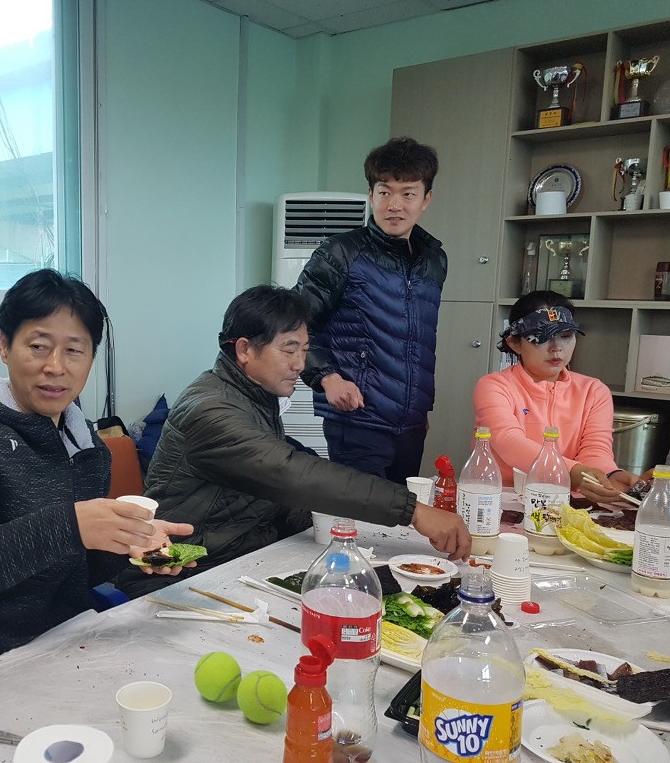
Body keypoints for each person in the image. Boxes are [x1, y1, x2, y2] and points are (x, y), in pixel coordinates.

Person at [0, 269, 194, 683]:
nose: (55, 367)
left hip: (66, 648)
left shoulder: (85, 444)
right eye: (38, 346)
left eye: (74, 351)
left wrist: (127, 543)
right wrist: (70, 527)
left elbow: (73, 569)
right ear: (5, 346)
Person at [114, 286, 471, 599]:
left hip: (241, 557)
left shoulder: (252, 396)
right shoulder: (211, 409)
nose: (300, 364)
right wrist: (412, 511)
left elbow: (286, 479)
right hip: (179, 575)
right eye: (289, 350)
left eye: (304, 350)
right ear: (244, 350)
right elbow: (289, 473)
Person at [296, 136, 444, 484]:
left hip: (410, 425)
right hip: (357, 418)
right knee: (362, 513)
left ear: (426, 199)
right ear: (371, 195)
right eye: (384, 192)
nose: (395, 205)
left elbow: (420, 341)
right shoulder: (340, 252)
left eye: (408, 193)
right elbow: (294, 324)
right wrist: (328, 378)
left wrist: (418, 407)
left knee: (401, 513)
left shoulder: (434, 259)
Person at [473, 290, 638, 503]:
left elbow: (595, 450)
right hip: (501, 498)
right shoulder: (494, 386)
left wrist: (610, 475)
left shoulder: (594, 391)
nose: (557, 348)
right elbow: (509, 442)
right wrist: (574, 472)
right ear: (515, 343)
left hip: (565, 501)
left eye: (566, 336)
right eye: (541, 338)